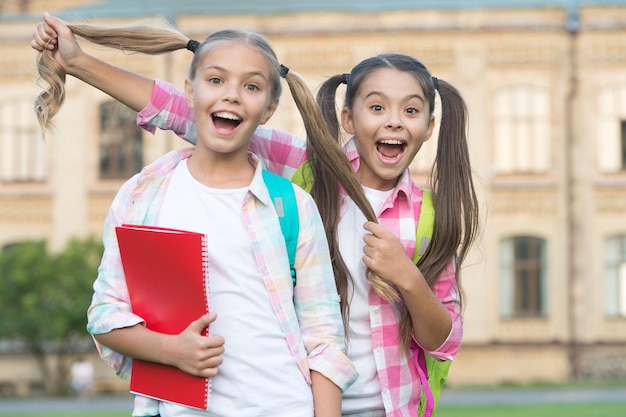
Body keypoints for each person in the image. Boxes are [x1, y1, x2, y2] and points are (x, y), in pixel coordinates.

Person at [33, 13, 480, 417]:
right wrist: (79, 63)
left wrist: (408, 278)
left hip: (388, 407)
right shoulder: (311, 174)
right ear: (349, 118)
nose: (394, 122)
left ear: (429, 126)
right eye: (377, 107)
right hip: (308, 399)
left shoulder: (430, 218)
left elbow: (446, 339)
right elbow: (187, 111)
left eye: (411, 111)